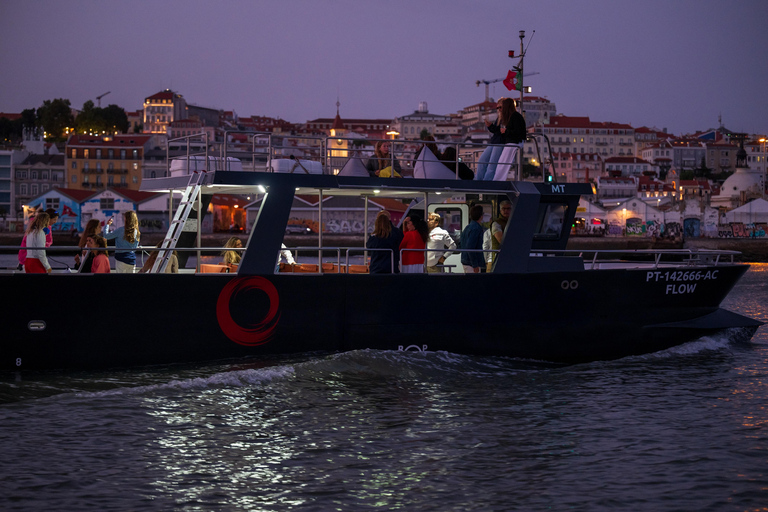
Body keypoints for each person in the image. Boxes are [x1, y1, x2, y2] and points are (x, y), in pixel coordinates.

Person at [491, 98, 528, 181]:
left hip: (515, 142)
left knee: (503, 163)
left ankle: (498, 180)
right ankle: (497, 179)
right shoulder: (513, 116)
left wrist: (506, 131)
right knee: (501, 163)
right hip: (511, 142)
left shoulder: (515, 116)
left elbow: (517, 131)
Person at [475, 98, 506, 181]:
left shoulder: (508, 118)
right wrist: (490, 126)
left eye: (500, 107)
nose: (499, 109)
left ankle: (486, 182)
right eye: (498, 108)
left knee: (492, 165)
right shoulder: (500, 118)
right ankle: (479, 181)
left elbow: (503, 131)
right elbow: (497, 130)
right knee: (482, 161)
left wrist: (496, 128)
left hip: (500, 142)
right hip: (494, 142)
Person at [460, 204, 485, 273]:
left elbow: (461, 243)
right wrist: (475, 264)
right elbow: (470, 247)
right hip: (471, 263)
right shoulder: (477, 228)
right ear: (481, 216)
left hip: (465, 260)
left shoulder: (467, 227)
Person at [490, 200, 512, 265]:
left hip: (509, 256)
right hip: (499, 257)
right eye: (504, 209)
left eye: (508, 209)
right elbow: (501, 240)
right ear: (500, 210)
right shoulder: (496, 223)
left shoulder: (512, 222)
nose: (506, 211)